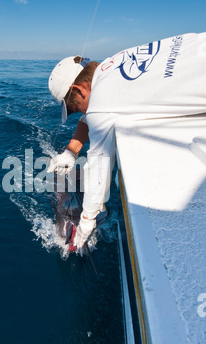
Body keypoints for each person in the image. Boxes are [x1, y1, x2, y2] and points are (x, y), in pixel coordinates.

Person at [47, 32, 206, 251]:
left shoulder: (101, 104)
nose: (77, 113)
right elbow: (93, 114)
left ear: (78, 89)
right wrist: (71, 152)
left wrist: (87, 219)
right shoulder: (112, 65)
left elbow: (99, 164)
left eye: (73, 108)